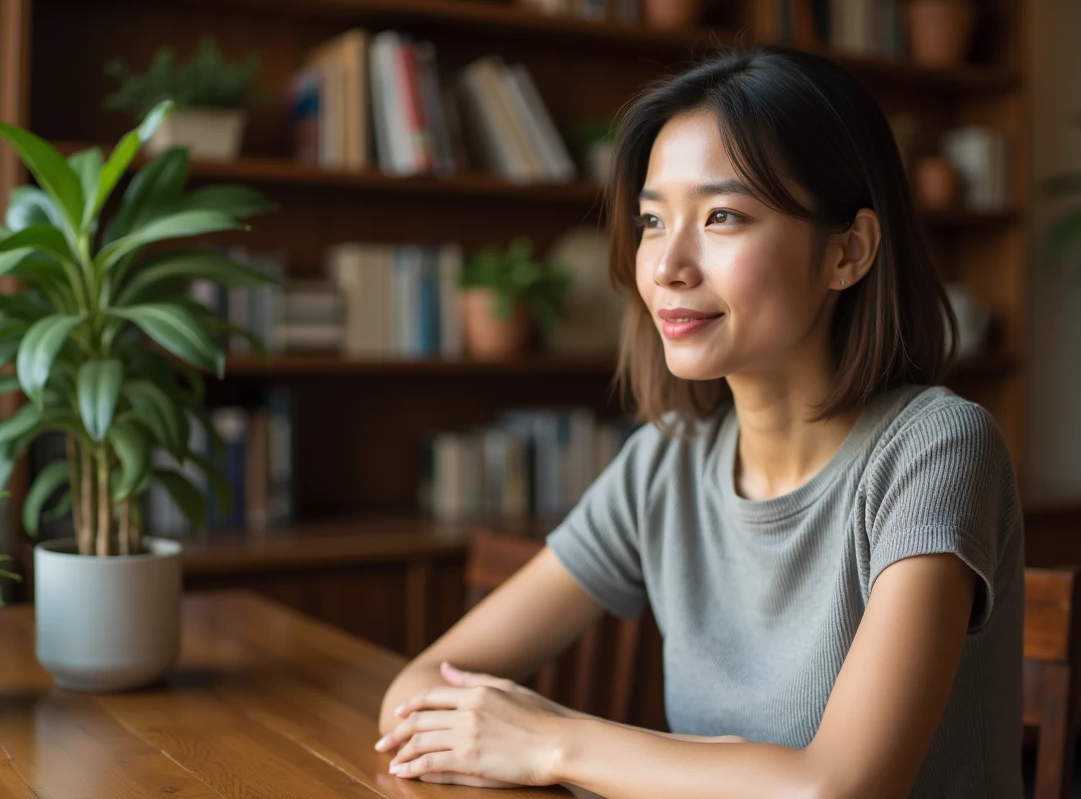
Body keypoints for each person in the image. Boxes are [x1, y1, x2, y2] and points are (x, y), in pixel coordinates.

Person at [375, 47, 1024, 798]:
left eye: (722, 216)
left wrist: (554, 743)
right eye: (653, 220)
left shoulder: (937, 449)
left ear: (847, 252)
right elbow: (416, 693)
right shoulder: (667, 461)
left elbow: (838, 788)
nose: (667, 267)